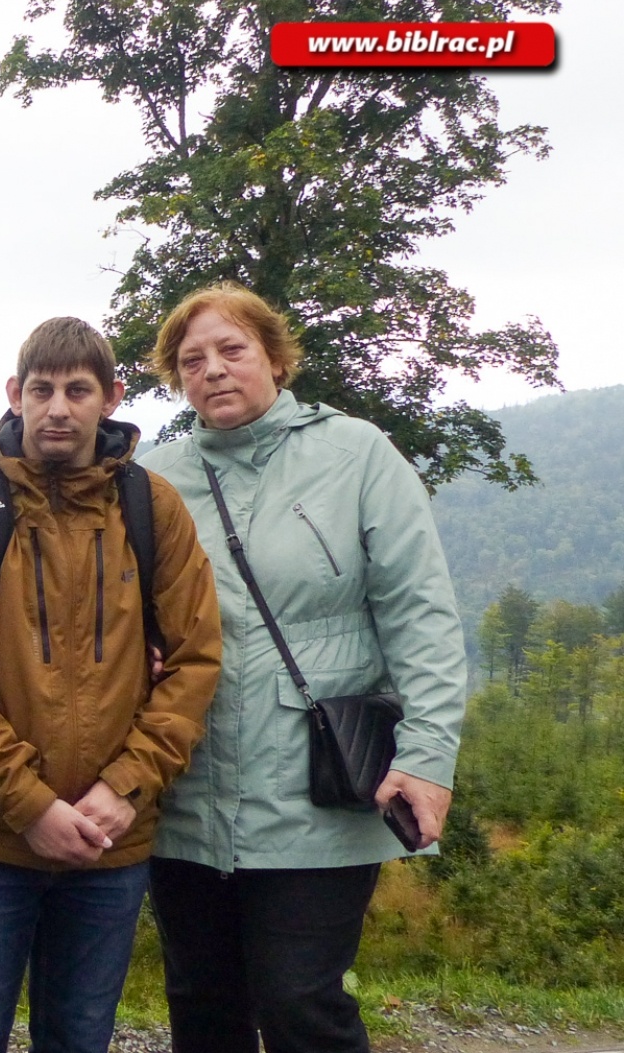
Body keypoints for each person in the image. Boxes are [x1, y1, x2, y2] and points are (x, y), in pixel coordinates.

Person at [140, 282, 468, 1053]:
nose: (213, 370)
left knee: (299, 1002)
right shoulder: (153, 480)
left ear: (276, 360)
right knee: (203, 1004)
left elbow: (419, 611)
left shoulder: (356, 454)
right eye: (192, 360)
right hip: (187, 790)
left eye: (232, 349)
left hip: (318, 792)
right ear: (176, 378)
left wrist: (427, 756)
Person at [0, 316, 222, 1053]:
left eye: (78, 390)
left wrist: (126, 785)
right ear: (15, 394)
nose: (58, 408)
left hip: (111, 842)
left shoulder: (152, 508)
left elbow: (196, 660)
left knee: (80, 1037)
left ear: (110, 397)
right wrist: (28, 803)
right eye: (41, 389)